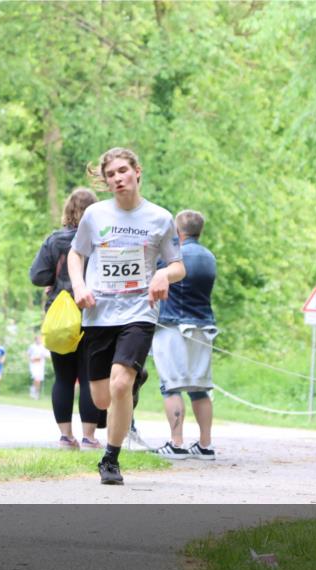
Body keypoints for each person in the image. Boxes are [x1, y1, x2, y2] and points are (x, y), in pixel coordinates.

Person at [68, 147, 185, 484]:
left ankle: (110, 459)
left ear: (137, 171)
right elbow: (77, 255)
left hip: (139, 312)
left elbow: (178, 265)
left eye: (123, 171)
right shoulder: (95, 215)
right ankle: (133, 381)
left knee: (120, 384)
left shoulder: (160, 218)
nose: (117, 178)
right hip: (99, 313)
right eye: (110, 175)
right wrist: (78, 286)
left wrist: (164, 275)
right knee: (102, 398)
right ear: (105, 182)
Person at [29, 187, 104, 448]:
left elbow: (37, 276)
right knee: (88, 377)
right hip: (94, 313)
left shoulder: (55, 240)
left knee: (63, 377)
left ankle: (65, 436)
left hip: (61, 315)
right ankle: (89, 437)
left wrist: (54, 281)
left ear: (68, 210)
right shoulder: (101, 240)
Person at [151, 210, 218, 461]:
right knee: (200, 388)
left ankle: (176, 443)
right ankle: (205, 444)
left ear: (178, 232)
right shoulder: (209, 257)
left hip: (172, 328)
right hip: (203, 328)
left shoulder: (173, 257)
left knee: (171, 386)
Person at [26, 334, 49, 400]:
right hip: (33, 365)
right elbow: (28, 354)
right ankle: (34, 392)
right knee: (36, 378)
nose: (39, 340)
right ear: (35, 340)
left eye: (40, 339)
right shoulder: (32, 346)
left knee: (38, 380)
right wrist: (31, 359)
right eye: (37, 339)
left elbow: (48, 355)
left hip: (40, 366)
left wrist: (42, 356)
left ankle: (35, 391)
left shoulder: (43, 347)